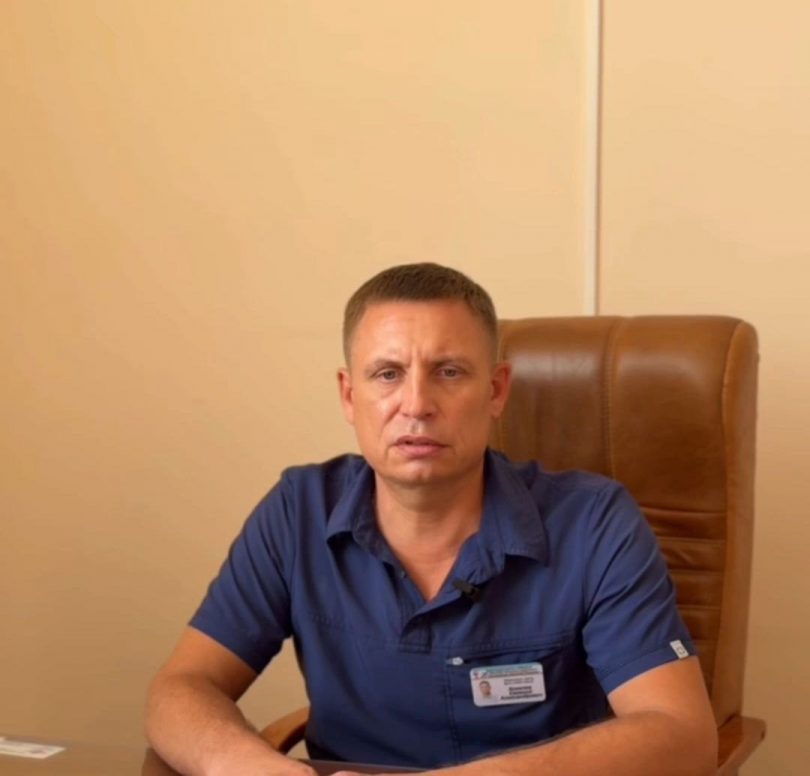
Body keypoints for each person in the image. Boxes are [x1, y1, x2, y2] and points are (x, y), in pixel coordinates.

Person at [145, 263, 718, 776]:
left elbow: (681, 734)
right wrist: (248, 767)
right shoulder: (299, 510)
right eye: (387, 374)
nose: (416, 404)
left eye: (448, 372)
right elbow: (183, 686)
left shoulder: (594, 522)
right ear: (349, 396)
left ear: (496, 391)